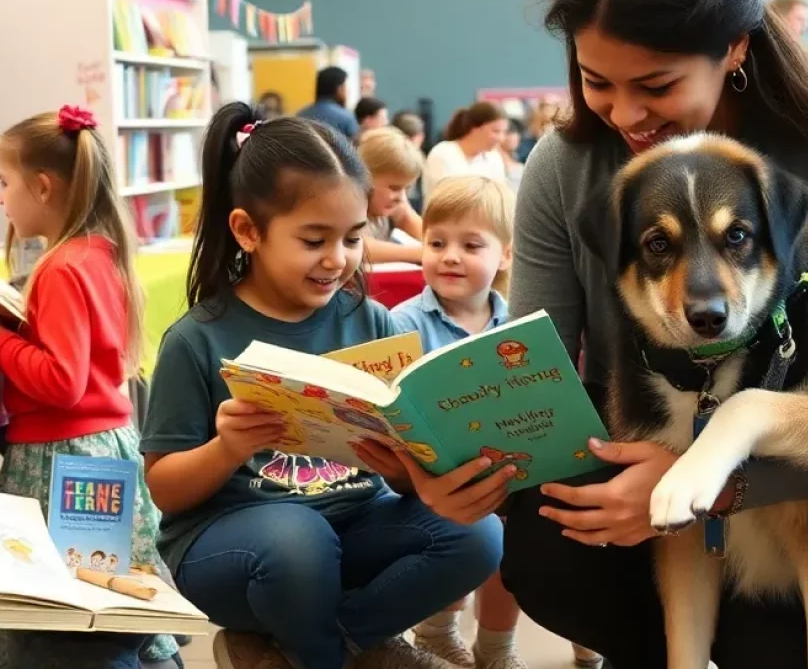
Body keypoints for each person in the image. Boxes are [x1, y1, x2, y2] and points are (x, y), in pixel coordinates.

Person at [368, 0, 808, 669]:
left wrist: (710, 483)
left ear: (734, 50)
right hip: (639, 446)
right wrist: (460, 469)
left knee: (775, 647)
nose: (626, 114)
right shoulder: (566, 167)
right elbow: (535, 374)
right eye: (597, 82)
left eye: (656, 84)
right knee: (550, 554)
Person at [139, 106, 502, 669]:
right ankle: (346, 654)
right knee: (299, 538)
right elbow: (164, 490)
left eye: (354, 238)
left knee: (479, 535)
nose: (338, 260)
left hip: (354, 523)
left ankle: (319, 650)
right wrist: (227, 448)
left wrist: (401, 466)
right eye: (314, 240)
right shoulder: (196, 339)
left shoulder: (372, 321)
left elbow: (405, 480)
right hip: (233, 550)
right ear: (247, 231)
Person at [0, 106, 178, 669]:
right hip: (103, 449)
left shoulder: (60, 268)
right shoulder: (98, 252)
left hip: (61, 460)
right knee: (110, 603)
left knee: (66, 620)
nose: (0, 198)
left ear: (42, 186)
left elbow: (60, 382)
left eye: (4, 182)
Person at [393, 177, 523, 669]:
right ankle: (436, 634)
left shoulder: (518, 324)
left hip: (507, 469)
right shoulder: (402, 324)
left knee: (511, 550)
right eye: (436, 243)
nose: (450, 257)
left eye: (471, 246)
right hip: (431, 477)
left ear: (505, 256)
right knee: (458, 535)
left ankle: (497, 648)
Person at [357, 127, 424, 264]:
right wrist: (421, 253)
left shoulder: (395, 202)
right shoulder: (350, 204)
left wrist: (440, 245)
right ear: (363, 179)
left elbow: (412, 222)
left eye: (407, 189)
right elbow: (360, 248)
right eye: (394, 188)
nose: (401, 197)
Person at [423, 103, 508, 202]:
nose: (501, 138)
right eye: (496, 131)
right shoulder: (443, 152)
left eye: (504, 132)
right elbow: (443, 197)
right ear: (475, 128)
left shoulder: (494, 158)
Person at [298, 67, 358, 140]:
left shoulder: (300, 115)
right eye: (345, 87)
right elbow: (355, 144)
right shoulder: (347, 117)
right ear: (339, 89)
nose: (347, 91)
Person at [499, 120, 525, 192]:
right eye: (508, 133)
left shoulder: (517, 157)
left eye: (516, 133)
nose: (514, 137)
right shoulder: (494, 159)